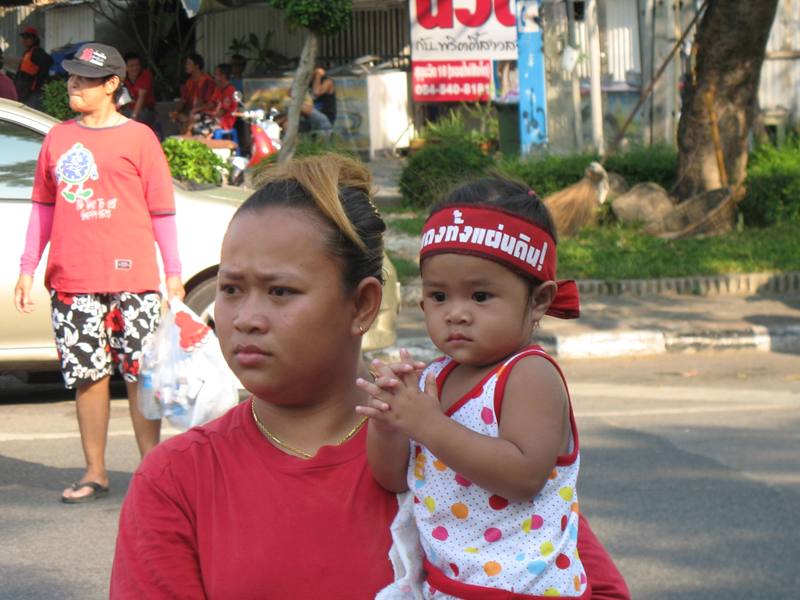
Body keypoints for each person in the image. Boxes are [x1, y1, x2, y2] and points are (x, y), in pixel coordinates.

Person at [110, 155, 629, 599]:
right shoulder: (176, 479)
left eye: (281, 292)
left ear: (362, 305)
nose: (245, 317)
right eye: (230, 289)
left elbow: (569, 569)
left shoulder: (463, 444)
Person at [356, 176, 626, 598]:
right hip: (451, 586)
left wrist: (427, 425)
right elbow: (393, 479)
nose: (456, 314)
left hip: (528, 589)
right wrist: (391, 425)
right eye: (439, 296)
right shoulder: (433, 378)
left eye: (480, 297)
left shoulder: (528, 375)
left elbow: (522, 476)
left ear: (538, 300)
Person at [13, 42, 185, 504]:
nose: (74, 85)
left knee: (140, 373)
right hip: (74, 279)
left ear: (112, 85)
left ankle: (152, 471)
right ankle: (95, 472)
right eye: (71, 77)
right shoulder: (58, 139)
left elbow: (162, 212)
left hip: (134, 280)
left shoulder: (140, 138)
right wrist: (28, 268)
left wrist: (173, 274)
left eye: (85, 79)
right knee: (87, 375)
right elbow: (42, 209)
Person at [169, 53, 216, 134]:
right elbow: (183, 100)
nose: (186, 66)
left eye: (188, 63)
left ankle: (185, 138)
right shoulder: (189, 81)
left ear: (196, 66)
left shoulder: (207, 81)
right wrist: (176, 111)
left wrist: (192, 112)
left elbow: (204, 103)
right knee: (175, 116)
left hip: (205, 112)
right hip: (192, 112)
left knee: (189, 118)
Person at [13, 26, 53, 108]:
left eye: (28, 37)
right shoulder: (27, 52)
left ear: (34, 39)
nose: (24, 40)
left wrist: (38, 81)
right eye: (24, 37)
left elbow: (48, 61)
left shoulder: (37, 52)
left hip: (33, 93)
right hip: (25, 91)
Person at [122, 52, 158, 134]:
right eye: (131, 66)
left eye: (137, 65)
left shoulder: (146, 75)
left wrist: (134, 117)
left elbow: (141, 97)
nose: (135, 68)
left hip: (146, 110)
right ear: (126, 67)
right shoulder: (123, 77)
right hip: (129, 109)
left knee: (138, 121)